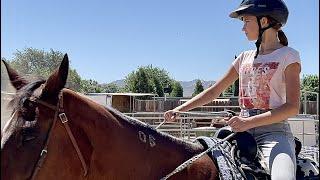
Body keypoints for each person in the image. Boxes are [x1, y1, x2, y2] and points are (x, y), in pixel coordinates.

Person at [164, 0, 300, 179]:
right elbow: (214, 91)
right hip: (239, 130)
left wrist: (248, 123)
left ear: (264, 22)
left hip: (274, 134)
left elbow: (292, 107)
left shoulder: (288, 56)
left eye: (246, 21)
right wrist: (179, 110)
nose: (243, 28)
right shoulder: (243, 57)